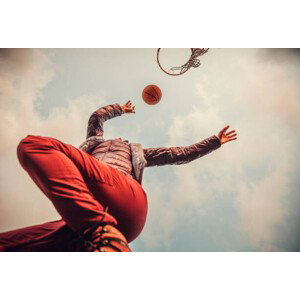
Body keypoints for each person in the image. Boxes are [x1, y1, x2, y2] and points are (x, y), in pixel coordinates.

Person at [0, 101, 237, 252]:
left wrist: (214, 141)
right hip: (91, 220)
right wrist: (119, 109)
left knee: (34, 144)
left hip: (122, 198)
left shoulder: (138, 152)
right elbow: (96, 118)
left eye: (123, 141)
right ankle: (105, 240)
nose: (120, 141)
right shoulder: (94, 142)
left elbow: (177, 154)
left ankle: (101, 230)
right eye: (117, 140)